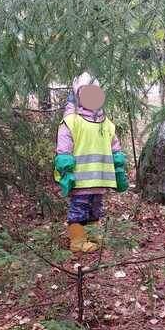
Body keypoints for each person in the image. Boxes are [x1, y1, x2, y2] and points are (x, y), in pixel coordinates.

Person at [54, 74, 122, 252]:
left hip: (100, 180)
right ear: (78, 95)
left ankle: (92, 235)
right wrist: (66, 172)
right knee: (79, 209)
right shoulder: (71, 121)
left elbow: (115, 148)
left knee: (95, 208)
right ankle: (77, 241)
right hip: (80, 180)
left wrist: (119, 168)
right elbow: (63, 150)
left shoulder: (106, 123)